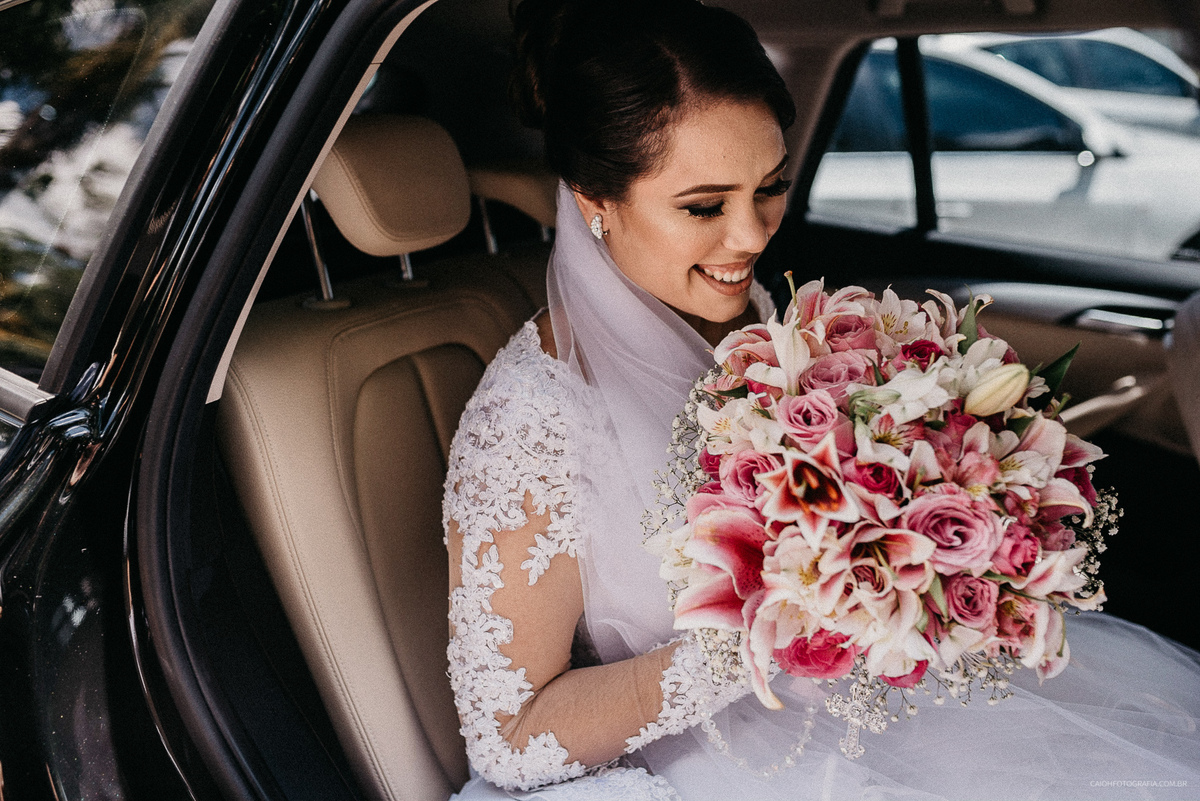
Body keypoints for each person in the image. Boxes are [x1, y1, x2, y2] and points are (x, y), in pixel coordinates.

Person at [443, 1, 1200, 798]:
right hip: (708, 762)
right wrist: (766, 633)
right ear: (596, 198)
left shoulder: (759, 317)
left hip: (851, 708)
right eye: (704, 206)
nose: (751, 236)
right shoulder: (528, 423)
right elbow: (513, 734)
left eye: (770, 187)